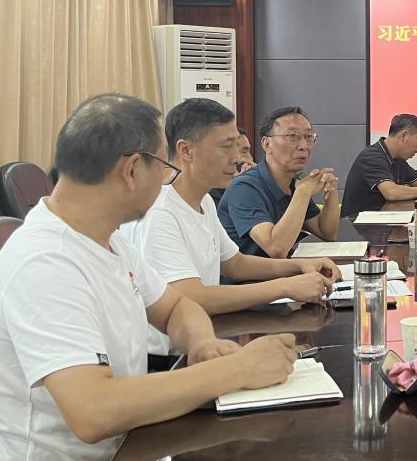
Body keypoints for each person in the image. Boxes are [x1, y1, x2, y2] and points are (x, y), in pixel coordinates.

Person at [0, 94, 298, 461]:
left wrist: (203, 344)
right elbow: (93, 411)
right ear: (132, 170)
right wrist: (236, 368)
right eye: (164, 167)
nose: (166, 181)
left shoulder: (109, 239)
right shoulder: (45, 262)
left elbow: (177, 307)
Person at [131, 99, 342, 362]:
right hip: (168, 358)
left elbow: (235, 264)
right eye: (226, 147)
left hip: (207, 339)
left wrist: (300, 266)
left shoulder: (204, 201)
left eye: (238, 147)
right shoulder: (161, 213)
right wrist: (286, 286)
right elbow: (192, 297)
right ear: (186, 150)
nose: (237, 158)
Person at [217, 106, 341, 258]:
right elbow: (276, 249)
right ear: (266, 144)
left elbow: (327, 232)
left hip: (284, 270)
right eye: (292, 136)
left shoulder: (293, 183)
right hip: (251, 274)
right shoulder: (244, 188)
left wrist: (331, 190)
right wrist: (303, 192)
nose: (304, 146)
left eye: (308, 137)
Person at [341, 114, 417, 215]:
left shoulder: (398, 159)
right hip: (360, 227)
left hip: (384, 222)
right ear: (403, 136)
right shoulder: (372, 156)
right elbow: (392, 193)